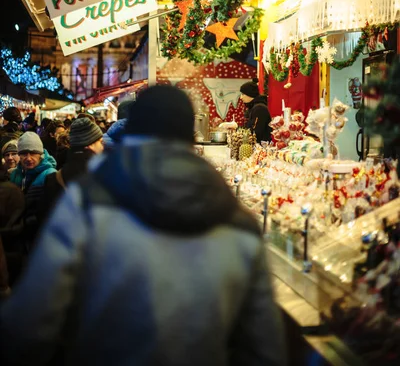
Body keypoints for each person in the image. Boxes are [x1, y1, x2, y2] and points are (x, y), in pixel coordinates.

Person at [0, 86, 285, 366]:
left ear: (131, 130)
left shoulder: (87, 204)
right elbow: (264, 347)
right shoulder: (238, 222)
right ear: (191, 137)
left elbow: (31, 322)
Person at [41, 118, 103, 221]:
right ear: (90, 145)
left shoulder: (53, 178)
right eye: (100, 142)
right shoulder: (103, 176)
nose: (102, 147)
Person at [10, 132, 57, 246]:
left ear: (40, 154)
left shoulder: (50, 175)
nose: (28, 158)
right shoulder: (15, 174)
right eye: (24, 153)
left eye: (33, 153)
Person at [0, 144, 25, 286]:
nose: (10, 158)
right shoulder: (9, 178)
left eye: (13, 154)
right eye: (6, 155)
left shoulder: (22, 176)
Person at [240, 78, 272, 143]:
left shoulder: (259, 109)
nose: (241, 97)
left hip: (260, 148)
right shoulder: (252, 108)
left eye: (243, 94)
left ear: (250, 94)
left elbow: (255, 132)